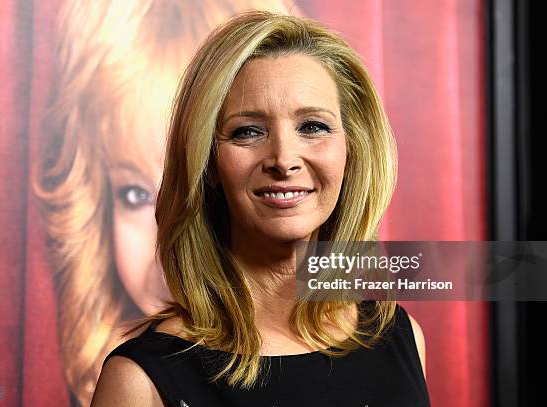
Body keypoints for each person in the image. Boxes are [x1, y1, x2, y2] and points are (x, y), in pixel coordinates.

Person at [91, 10, 430, 407]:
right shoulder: (140, 381)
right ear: (209, 163)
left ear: (350, 150)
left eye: (313, 127)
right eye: (248, 131)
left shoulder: (401, 336)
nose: (284, 159)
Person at [33, 1, 296, 406]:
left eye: (202, 190)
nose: (165, 245)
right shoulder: (129, 379)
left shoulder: (386, 339)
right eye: (135, 195)